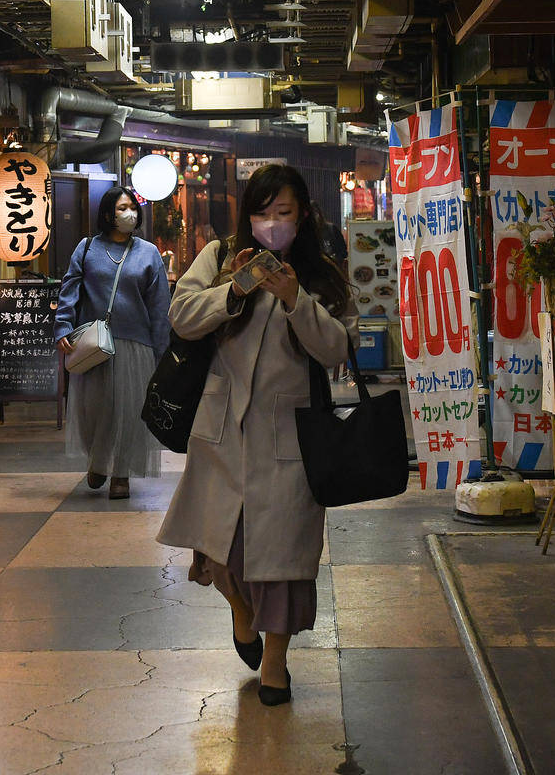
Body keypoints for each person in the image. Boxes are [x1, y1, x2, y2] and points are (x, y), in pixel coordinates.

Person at [156, 164, 354, 707]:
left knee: (283, 561)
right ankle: (241, 613)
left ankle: (275, 662)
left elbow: (337, 348)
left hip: (289, 438)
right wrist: (233, 288)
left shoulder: (320, 275)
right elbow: (182, 316)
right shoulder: (220, 256)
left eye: (283, 212)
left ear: (303, 215)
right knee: (224, 549)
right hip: (222, 432)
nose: (271, 223)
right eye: (262, 212)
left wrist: (295, 300)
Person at [54, 187, 171, 499]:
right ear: (108, 214)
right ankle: (98, 461)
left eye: (132, 207)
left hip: (136, 345)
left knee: (129, 413)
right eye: (122, 208)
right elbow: (70, 289)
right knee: (96, 410)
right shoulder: (87, 248)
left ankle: (121, 474)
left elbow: (160, 306)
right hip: (94, 344)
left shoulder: (148, 253)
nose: (129, 212)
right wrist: (63, 326)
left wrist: (163, 352)